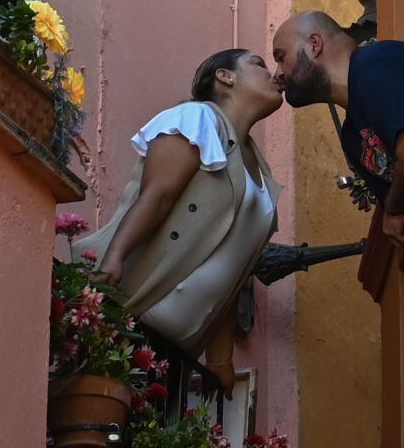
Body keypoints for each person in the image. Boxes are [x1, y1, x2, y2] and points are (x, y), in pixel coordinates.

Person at [75, 49, 283, 390]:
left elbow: (232, 276)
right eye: (259, 64)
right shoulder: (196, 119)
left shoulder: (262, 170)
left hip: (176, 350)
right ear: (225, 77)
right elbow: (157, 196)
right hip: (128, 310)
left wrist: (220, 360)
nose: (273, 74)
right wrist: (114, 256)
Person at [270, 11, 404, 246]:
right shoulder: (352, 138)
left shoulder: (375, 63)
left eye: (281, 57)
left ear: (314, 45)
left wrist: (394, 210)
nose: (277, 74)